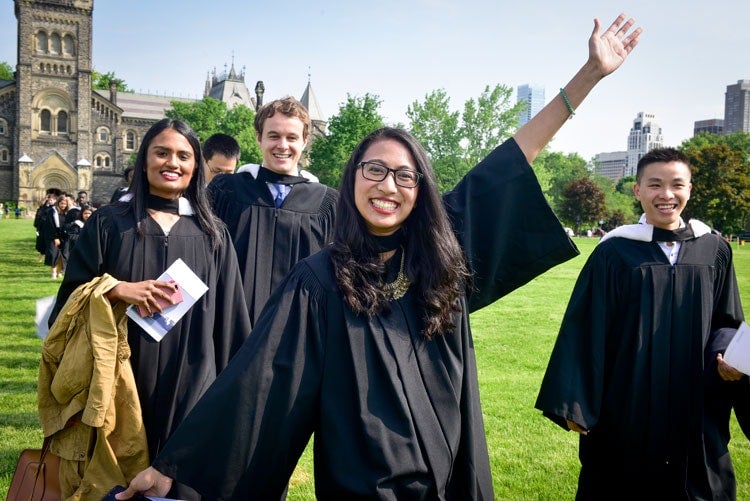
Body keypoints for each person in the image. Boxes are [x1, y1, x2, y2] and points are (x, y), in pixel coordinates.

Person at [116, 14, 643, 500]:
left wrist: (588, 77)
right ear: (351, 182)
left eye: (404, 174)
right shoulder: (320, 280)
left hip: (448, 471)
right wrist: (177, 466)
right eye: (374, 170)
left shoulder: (439, 259)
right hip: (365, 483)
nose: (388, 185)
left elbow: (507, 163)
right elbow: (259, 380)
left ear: (421, 189)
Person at [48, 118, 252, 499]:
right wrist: (114, 289)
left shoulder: (213, 235)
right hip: (120, 382)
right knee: (115, 487)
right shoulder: (111, 225)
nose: (171, 162)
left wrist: (228, 401)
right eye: (161, 152)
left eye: (183, 155)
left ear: (196, 168)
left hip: (191, 385)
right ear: (144, 161)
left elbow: (230, 324)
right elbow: (68, 304)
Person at [535, 147, 747, 499]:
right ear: (637, 190)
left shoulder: (713, 250)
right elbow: (585, 328)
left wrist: (728, 357)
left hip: (696, 402)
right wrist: (575, 402)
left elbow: (726, 320)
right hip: (627, 402)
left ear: (690, 189)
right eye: (655, 184)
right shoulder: (615, 252)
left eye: (676, 185)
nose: (666, 194)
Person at [207, 96, 338, 326]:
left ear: (305, 141)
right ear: (259, 137)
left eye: (292, 137)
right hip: (231, 329)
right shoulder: (226, 191)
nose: (283, 145)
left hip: (299, 333)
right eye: (274, 136)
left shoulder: (326, 203)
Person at [40, 194, 68, 278]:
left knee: (61, 256)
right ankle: (53, 273)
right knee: (53, 254)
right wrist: (55, 237)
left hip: (63, 236)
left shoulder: (66, 213)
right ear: (58, 203)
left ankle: (60, 272)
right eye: (61, 203)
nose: (63, 205)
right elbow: (50, 225)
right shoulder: (52, 211)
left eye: (65, 204)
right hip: (52, 236)